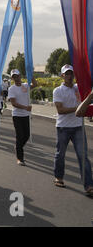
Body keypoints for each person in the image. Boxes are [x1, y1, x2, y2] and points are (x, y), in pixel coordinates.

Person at [53, 65, 93, 196]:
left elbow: (87, 100)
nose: (69, 76)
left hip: (78, 127)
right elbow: (60, 110)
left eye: (71, 73)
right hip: (63, 127)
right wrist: (78, 109)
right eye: (67, 74)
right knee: (60, 154)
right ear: (62, 76)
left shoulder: (79, 88)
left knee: (83, 157)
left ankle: (88, 185)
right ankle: (59, 177)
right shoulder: (58, 91)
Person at [8, 69, 37, 166]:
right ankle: (20, 158)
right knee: (20, 135)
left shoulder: (25, 85)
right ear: (12, 78)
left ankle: (18, 146)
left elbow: (35, 85)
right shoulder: (12, 89)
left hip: (26, 115)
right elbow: (13, 103)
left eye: (17, 76)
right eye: (14, 76)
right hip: (17, 115)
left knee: (27, 135)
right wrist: (26, 107)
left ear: (20, 76)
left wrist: (31, 75)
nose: (16, 78)